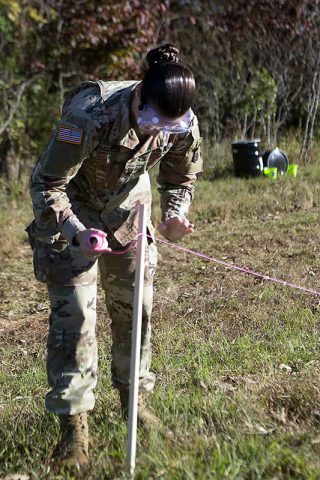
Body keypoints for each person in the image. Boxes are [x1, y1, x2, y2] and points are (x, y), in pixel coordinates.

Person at [26, 43, 202, 471]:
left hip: (129, 212)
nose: (158, 130)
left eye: (169, 125)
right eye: (153, 119)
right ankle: (73, 432)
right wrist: (76, 231)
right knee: (76, 318)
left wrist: (176, 214)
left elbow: (180, 176)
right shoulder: (92, 115)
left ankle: (134, 405)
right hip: (73, 214)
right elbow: (47, 182)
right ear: (140, 93)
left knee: (135, 311)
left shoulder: (181, 120)